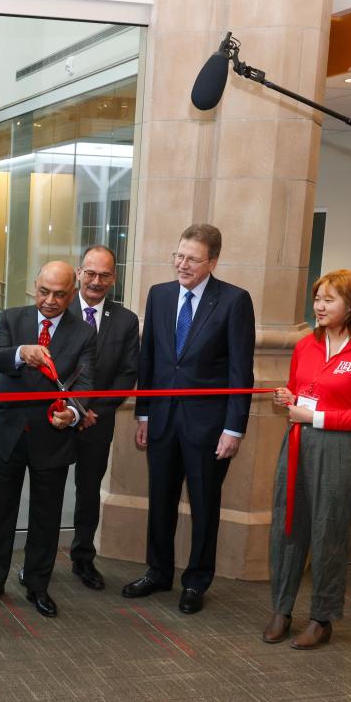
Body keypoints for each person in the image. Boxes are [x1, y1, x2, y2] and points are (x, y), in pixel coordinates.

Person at [124, 224, 255, 614]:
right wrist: (143, 413)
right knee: (160, 499)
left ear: (212, 261)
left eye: (192, 259)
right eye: (178, 256)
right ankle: (158, 571)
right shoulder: (160, 295)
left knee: (204, 504)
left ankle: (196, 580)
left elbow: (239, 371)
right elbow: (149, 358)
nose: (182, 264)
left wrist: (234, 428)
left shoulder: (234, 301)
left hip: (209, 427)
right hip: (161, 418)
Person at [265, 271, 351, 650]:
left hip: (340, 448)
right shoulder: (306, 346)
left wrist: (314, 416)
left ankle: (322, 617)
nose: (318, 305)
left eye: (328, 299)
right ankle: (281, 609)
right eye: (317, 298)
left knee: (328, 532)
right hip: (299, 441)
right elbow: (301, 391)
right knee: (288, 526)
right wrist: (290, 400)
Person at [0, 261, 95, 619]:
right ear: (34, 286)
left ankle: (38, 584)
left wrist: (72, 414)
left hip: (52, 437)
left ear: (72, 294)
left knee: (46, 516)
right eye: (44, 292)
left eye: (60, 294)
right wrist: (19, 353)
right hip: (9, 432)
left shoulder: (84, 333)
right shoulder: (13, 318)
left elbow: (85, 383)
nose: (50, 301)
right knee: (0, 512)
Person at [63, 245, 139, 590]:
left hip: (98, 420)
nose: (96, 281)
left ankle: (83, 559)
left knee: (88, 491)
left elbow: (127, 375)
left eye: (104, 275)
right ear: (79, 273)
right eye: (90, 273)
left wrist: (94, 411)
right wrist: (71, 409)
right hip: (58, 418)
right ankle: (38, 561)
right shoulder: (59, 309)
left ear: (114, 278)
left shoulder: (125, 321)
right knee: (46, 492)